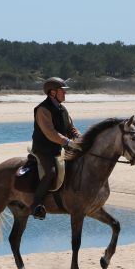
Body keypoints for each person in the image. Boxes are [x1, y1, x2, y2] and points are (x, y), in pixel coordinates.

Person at [30, 77, 82, 220]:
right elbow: (50, 133)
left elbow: (70, 127)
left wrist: (80, 139)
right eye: (62, 91)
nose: (65, 94)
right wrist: (68, 142)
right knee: (50, 173)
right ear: (52, 93)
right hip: (43, 150)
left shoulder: (62, 109)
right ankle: (36, 206)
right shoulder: (42, 109)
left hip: (59, 148)